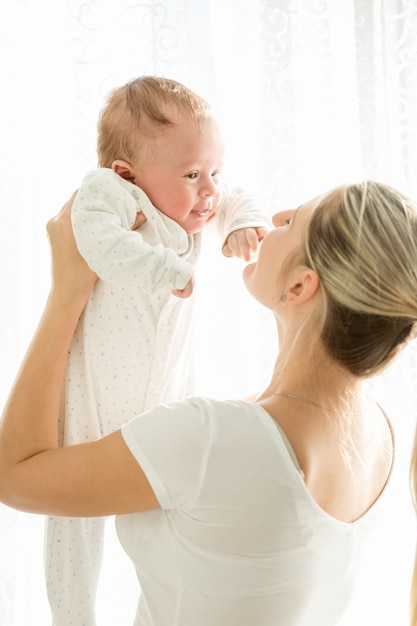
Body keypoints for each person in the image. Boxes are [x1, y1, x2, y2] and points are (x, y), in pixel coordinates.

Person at [1, 179, 416, 626]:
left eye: (294, 220)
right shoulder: (381, 433)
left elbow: (14, 474)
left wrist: (67, 293)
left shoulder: (213, 439)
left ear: (299, 285)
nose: (275, 217)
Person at [44, 75, 271, 625]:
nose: (209, 190)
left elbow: (237, 199)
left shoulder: (193, 208)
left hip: (163, 404)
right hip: (90, 413)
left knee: (170, 537)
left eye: (213, 171)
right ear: (129, 175)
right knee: (75, 532)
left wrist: (244, 223)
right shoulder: (109, 194)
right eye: (193, 174)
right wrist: (163, 267)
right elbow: (97, 240)